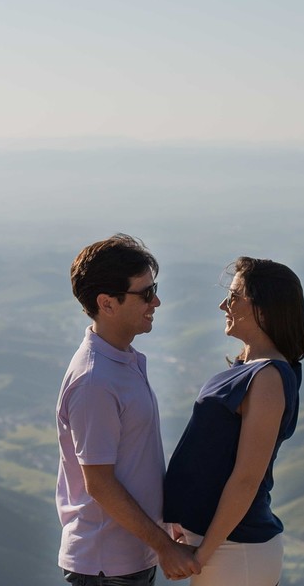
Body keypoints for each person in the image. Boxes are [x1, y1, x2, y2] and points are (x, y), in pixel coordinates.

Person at [57, 234, 201, 585]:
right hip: (107, 565)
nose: (157, 301)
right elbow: (100, 483)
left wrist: (164, 522)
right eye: (146, 293)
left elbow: (134, 460)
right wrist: (164, 546)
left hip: (127, 558)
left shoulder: (120, 362)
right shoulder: (95, 380)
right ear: (107, 303)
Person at [162, 256, 304, 586]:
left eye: (233, 296)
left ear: (264, 308)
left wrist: (202, 556)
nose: (222, 305)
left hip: (235, 551)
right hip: (224, 546)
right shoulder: (251, 368)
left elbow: (246, 479)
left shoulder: (268, 377)